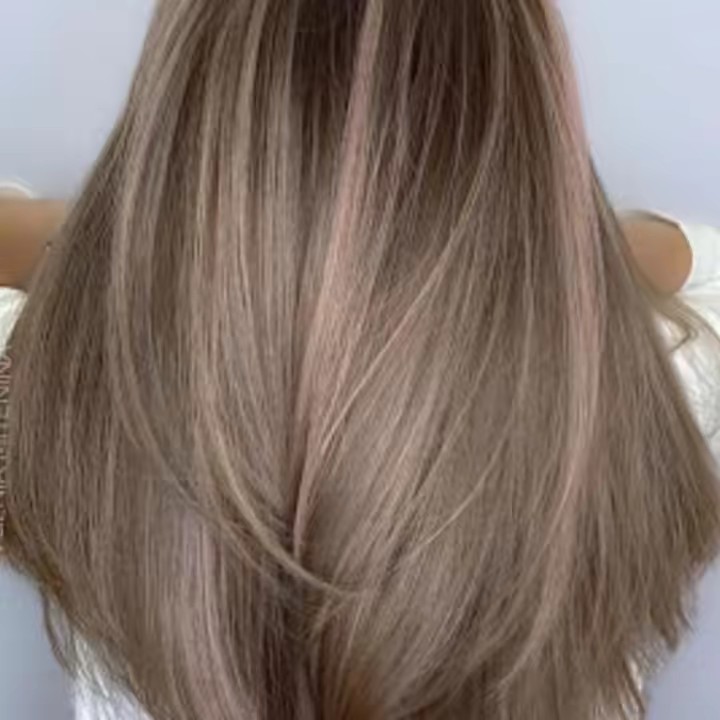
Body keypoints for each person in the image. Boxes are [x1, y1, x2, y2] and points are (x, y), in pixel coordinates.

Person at [1, 1, 720, 718]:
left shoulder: (54, 414)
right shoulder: (658, 402)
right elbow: (698, 258)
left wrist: (119, 255)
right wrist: (567, 263)